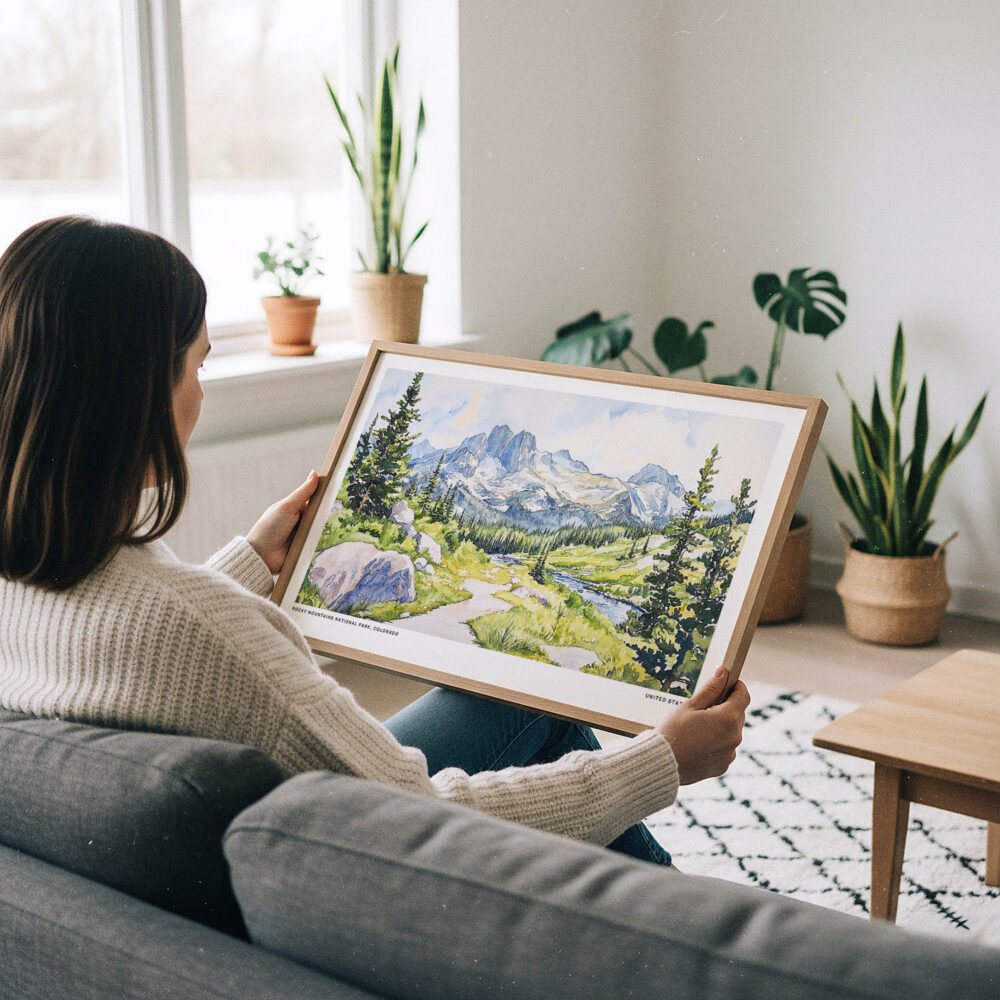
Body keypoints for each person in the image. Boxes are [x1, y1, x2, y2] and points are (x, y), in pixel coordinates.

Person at [0, 216, 749, 866]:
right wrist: (660, 761)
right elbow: (418, 817)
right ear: (135, 394)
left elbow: (140, 637)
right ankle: (694, 936)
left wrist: (250, 564)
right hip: (361, 858)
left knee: (506, 700)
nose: (202, 392)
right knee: (548, 720)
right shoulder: (206, 630)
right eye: (198, 365)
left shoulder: (27, 581)